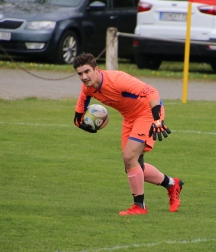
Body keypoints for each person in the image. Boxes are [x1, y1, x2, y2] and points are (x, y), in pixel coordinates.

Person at [73, 53, 183, 216]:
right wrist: (83, 125)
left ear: (96, 69)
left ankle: (139, 206)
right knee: (133, 166)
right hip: (129, 118)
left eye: (87, 71)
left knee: (129, 157)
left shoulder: (117, 80)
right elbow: (79, 114)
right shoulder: (87, 88)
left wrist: (157, 120)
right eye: (80, 74)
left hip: (147, 113)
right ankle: (173, 184)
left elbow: (152, 92)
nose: (84, 77)